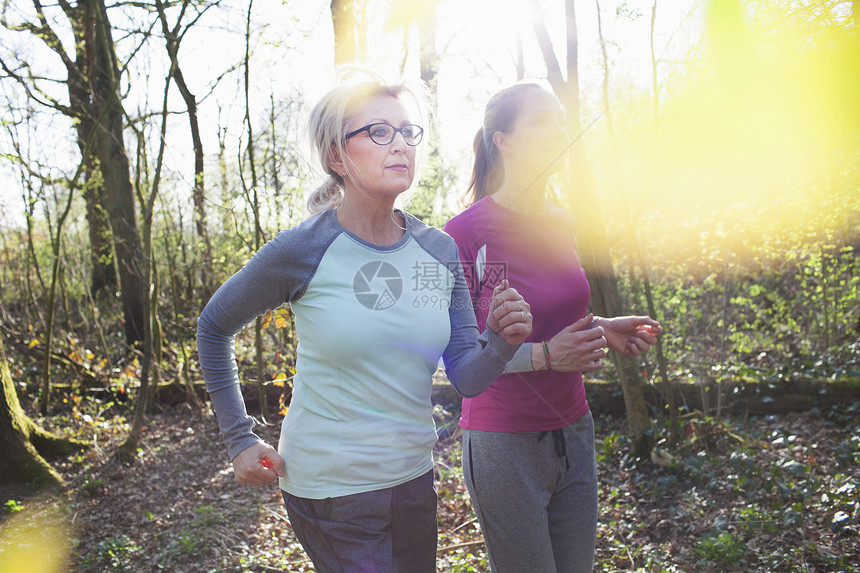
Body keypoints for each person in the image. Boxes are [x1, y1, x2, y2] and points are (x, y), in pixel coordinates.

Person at [196, 73, 533, 573]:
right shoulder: (303, 250)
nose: (399, 144)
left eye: (407, 132)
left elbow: (463, 373)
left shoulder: (436, 253)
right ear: (337, 157)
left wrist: (501, 344)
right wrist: (240, 438)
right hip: (333, 492)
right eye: (378, 132)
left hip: (414, 482)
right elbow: (213, 327)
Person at [443, 83, 662, 573]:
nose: (558, 130)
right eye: (540, 120)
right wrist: (546, 356)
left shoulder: (563, 223)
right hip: (505, 443)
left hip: (574, 430)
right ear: (502, 140)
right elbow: (461, 355)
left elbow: (550, 318)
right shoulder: (465, 234)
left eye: (560, 120)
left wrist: (602, 327)